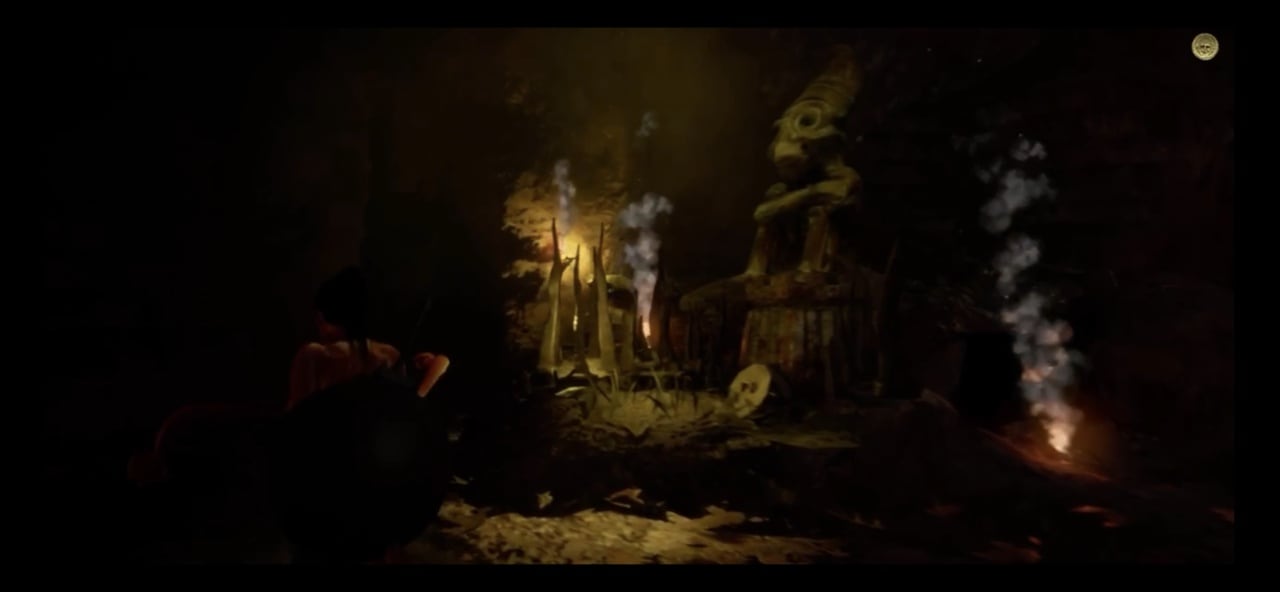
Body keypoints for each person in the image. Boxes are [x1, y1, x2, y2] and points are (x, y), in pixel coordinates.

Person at [271, 266, 453, 564]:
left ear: (326, 315)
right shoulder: (389, 356)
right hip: (376, 483)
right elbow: (404, 416)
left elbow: (297, 423)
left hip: (327, 481)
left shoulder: (314, 355)